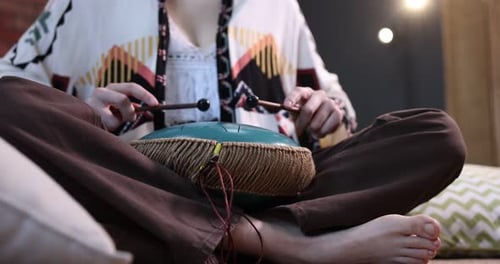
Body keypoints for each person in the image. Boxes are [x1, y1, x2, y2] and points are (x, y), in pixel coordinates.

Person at [0, 0, 466, 263]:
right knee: (7, 105)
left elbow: (339, 108)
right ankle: (274, 244)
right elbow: (17, 94)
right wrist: (88, 116)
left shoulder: (278, 7)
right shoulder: (81, 5)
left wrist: (325, 111)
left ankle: (231, 237)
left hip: (280, 193)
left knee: (434, 134)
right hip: (138, 186)